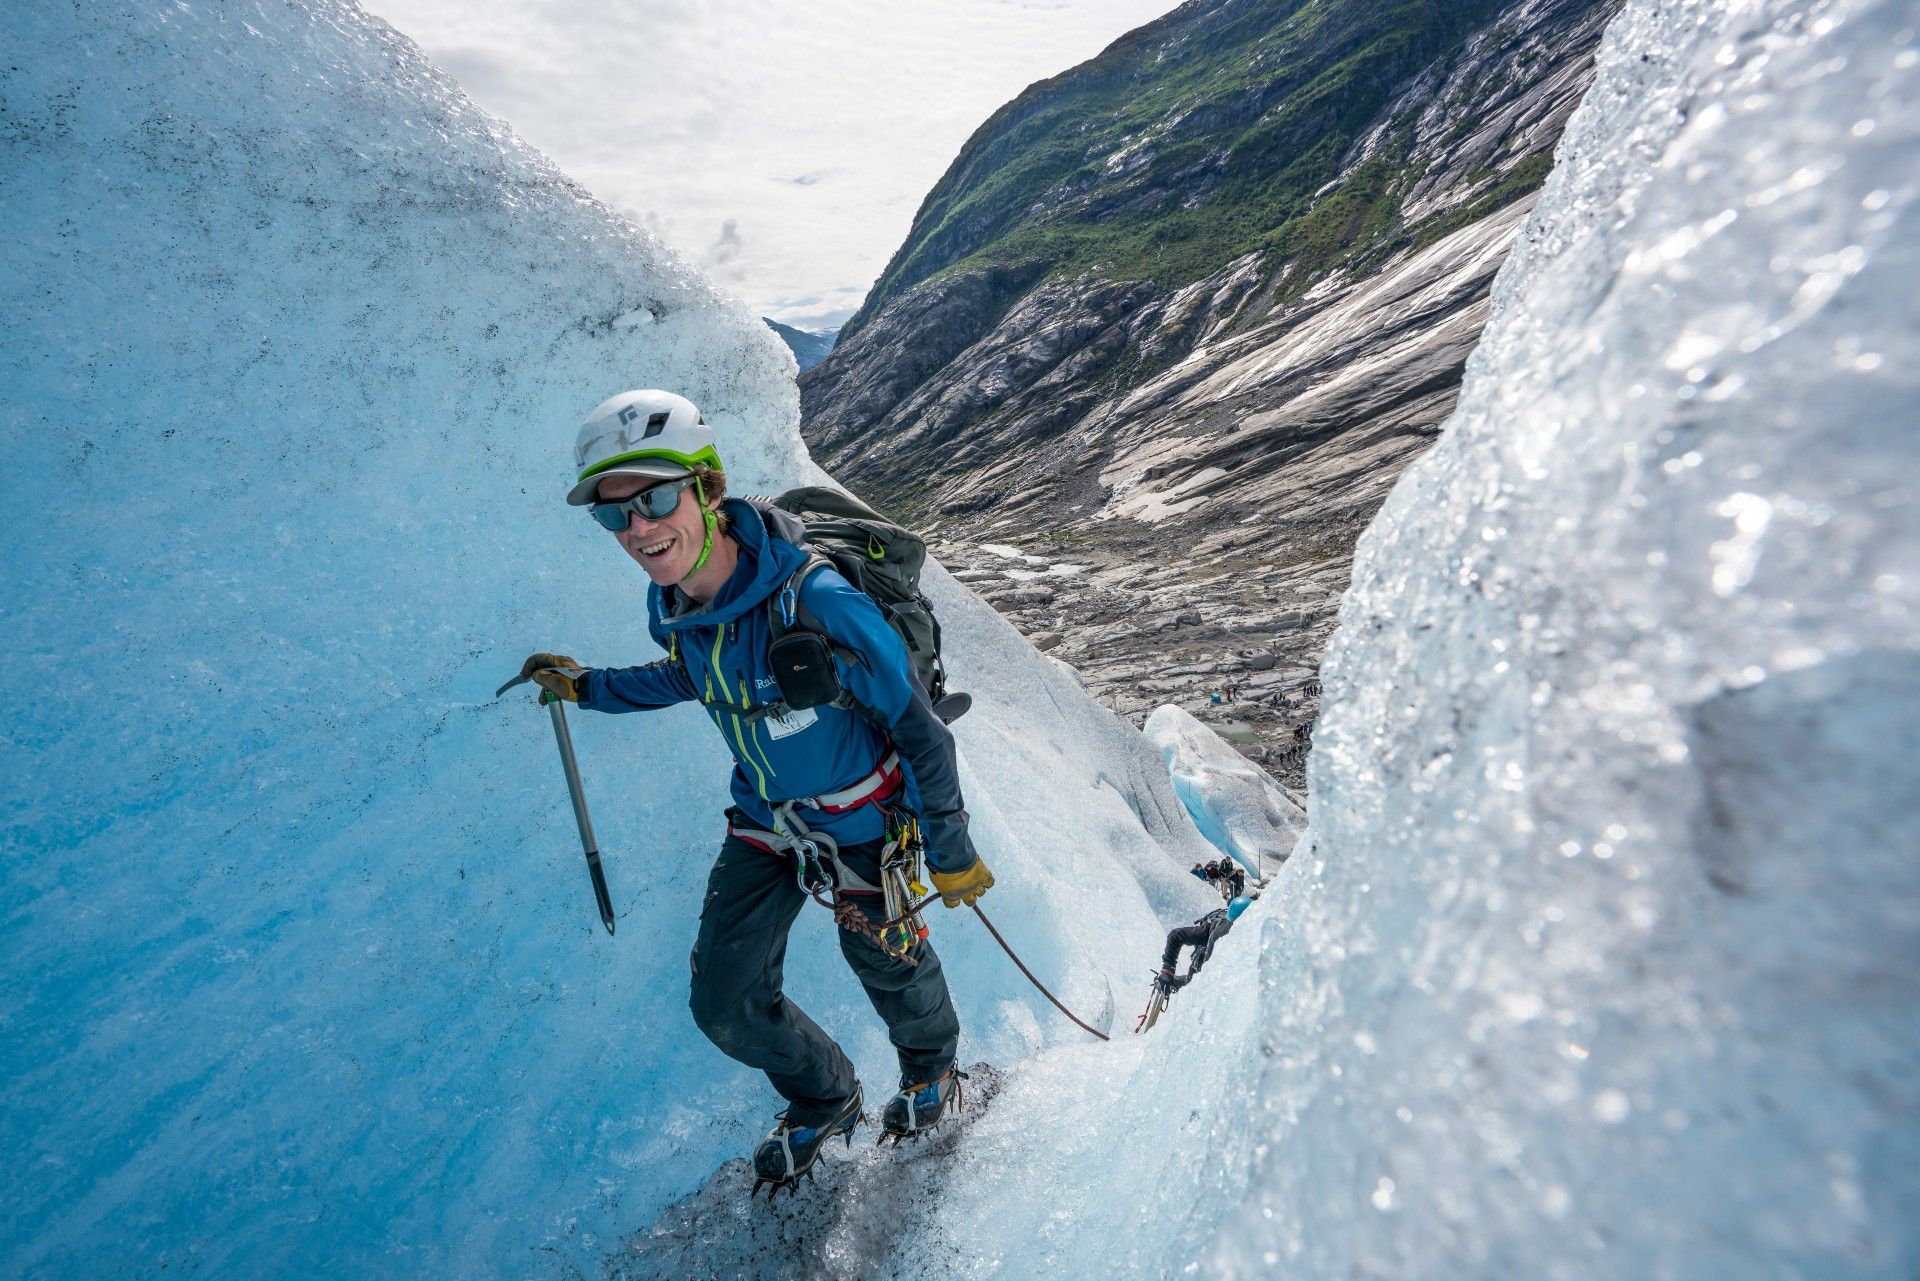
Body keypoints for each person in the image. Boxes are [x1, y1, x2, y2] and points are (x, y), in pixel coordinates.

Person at [518, 390, 994, 1190]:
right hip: (767, 819)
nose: (639, 529)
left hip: (863, 819)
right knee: (723, 999)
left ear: (707, 486)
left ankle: (931, 1071)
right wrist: (591, 688)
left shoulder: (818, 599)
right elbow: (693, 675)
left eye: (655, 498)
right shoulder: (673, 605)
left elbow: (919, 728)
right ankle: (826, 1094)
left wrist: (948, 847)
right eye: (615, 516)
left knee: (886, 957)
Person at [1156, 894, 1255, 992]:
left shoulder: (1252, 928)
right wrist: (1168, 969)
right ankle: (1174, 982)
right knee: (1196, 973)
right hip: (1206, 942)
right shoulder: (1207, 933)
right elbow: (1175, 936)